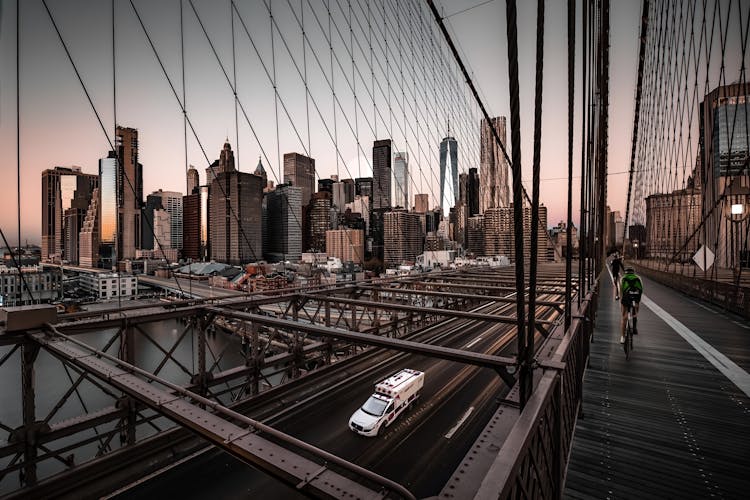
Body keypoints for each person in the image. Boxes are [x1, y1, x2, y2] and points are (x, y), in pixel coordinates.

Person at [620, 267, 643, 344]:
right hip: (636, 298)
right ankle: (635, 328)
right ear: (633, 272)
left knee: (624, 317)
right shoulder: (638, 278)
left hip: (626, 298)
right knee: (635, 310)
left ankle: (622, 337)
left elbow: (621, 292)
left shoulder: (623, 278)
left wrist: (621, 302)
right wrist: (637, 302)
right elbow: (641, 291)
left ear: (626, 272)